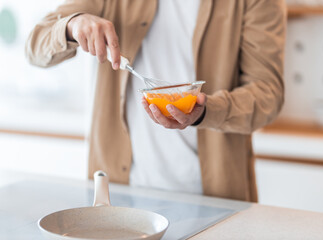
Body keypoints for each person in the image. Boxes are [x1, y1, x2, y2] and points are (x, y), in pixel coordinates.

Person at [26, 0, 286, 201]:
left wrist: (208, 110)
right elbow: (35, 46)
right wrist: (74, 25)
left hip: (216, 199)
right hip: (119, 197)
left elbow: (268, 94)